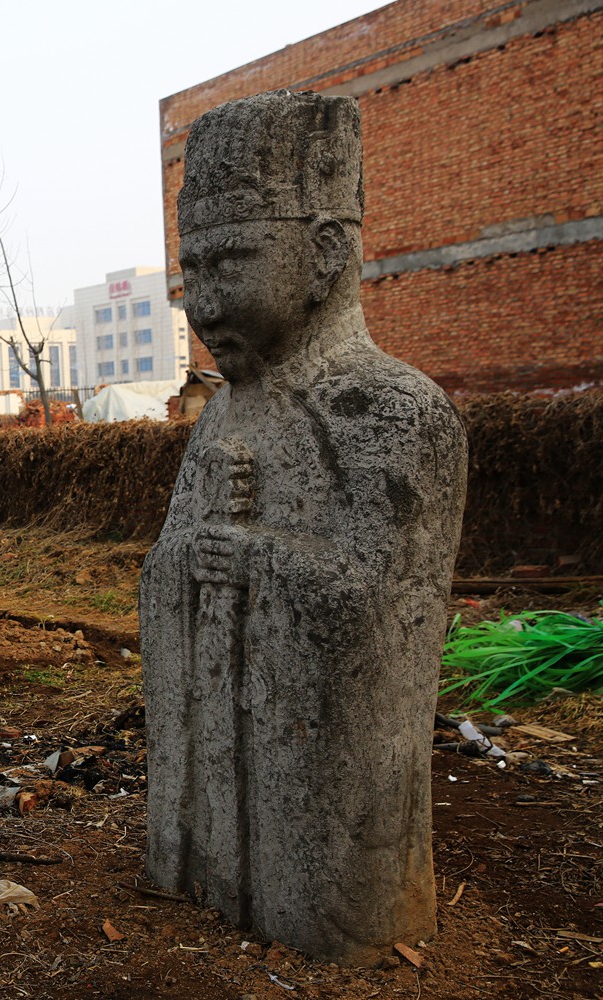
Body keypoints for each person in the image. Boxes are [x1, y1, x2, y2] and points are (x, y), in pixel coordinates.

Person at [138, 91, 466, 964]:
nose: (204, 301)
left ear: (324, 253)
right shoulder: (218, 418)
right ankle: (201, 866)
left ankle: (329, 919)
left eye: (231, 264)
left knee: (334, 892)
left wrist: (259, 562)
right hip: (227, 732)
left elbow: (390, 612)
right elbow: (164, 565)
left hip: (327, 785)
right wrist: (187, 567)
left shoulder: (393, 413)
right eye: (192, 275)